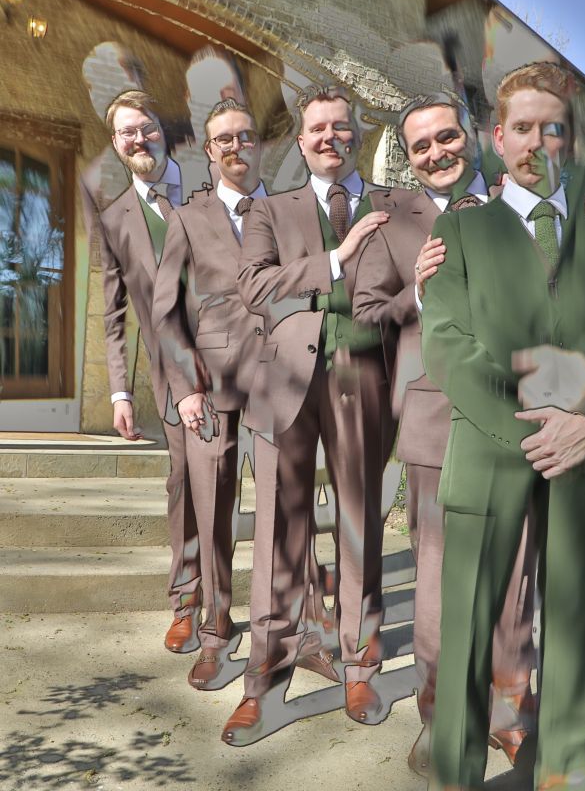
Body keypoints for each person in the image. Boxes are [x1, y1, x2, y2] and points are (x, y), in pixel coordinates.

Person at [419, 63, 585, 791]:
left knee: (573, 613)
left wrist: (580, 415)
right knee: (467, 624)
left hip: (581, 448)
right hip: (487, 449)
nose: (537, 143)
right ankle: (456, 771)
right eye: (522, 127)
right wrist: (533, 424)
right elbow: (446, 343)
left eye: (553, 129)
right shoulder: (459, 230)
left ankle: (565, 764)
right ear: (498, 136)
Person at [351, 93, 539, 775]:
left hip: (520, 413)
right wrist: (418, 292)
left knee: (516, 575)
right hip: (437, 416)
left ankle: (510, 711)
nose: (436, 153)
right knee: (437, 579)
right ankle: (441, 715)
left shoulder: (519, 204)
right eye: (421, 145)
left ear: (473, 136)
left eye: (447, 137)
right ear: (409, 156)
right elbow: (364, 313)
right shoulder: (392, 220)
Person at [222, 85, 396, 745]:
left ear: (357, 135)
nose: (329, 138)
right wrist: (334, 261)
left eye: (340, 127)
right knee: (278, 531)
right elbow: (253, 285)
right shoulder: (269, 210)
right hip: (287, 376)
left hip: (364, 375)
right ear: (301, 142)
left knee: (359, 523)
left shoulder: (392, 207)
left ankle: (359, 666)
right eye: (317, 129)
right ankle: (262, 681)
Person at [151, 98, 266, 690]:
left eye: (245, 137)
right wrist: (185, 388)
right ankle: (216, 628)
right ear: (209, 149)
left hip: (283, 383)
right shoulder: (187, 218)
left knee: (287, 512)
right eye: (224, 140)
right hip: (209, 387)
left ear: (259, 143)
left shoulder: (289, 210)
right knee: (212, 506)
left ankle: (290, 628)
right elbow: (165, 312)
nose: (235, 147)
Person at [94, 90, 202, 655]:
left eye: (148, 127)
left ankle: (300, 604)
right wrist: (120, 390)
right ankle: (187, 602)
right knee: (186, 483)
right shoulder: (113, 220)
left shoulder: (211, 184)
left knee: (279, 478)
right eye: (127, 132)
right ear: (116, 144)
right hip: (173, 375)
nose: (140, 139)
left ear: (165, 130)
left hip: (247, 360)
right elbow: (114, 314)